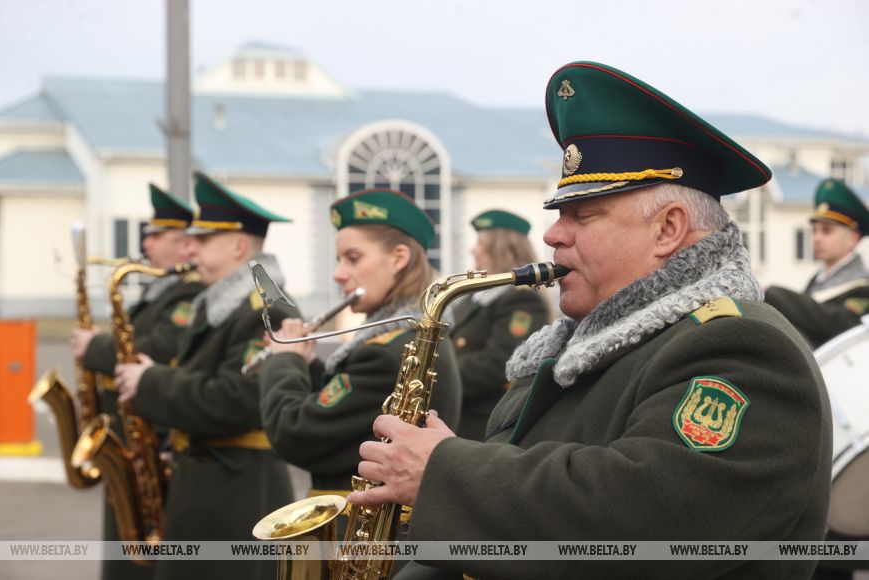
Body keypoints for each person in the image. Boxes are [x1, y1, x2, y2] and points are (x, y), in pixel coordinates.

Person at [347, 62, 832, 579]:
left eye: (583, 215)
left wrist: (443, 473)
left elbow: (642, 520)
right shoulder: (590, 346)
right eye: (560, 214)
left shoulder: (743, 345)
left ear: (668, 229)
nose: (553, 235)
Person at [114, 172, 296, 580]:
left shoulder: (269, 309)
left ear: (238, 245)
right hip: (211, 485)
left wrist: (150, 382)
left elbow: (234, 400)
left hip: (238, 494)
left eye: (203, 240)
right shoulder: (221, 304)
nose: (190, 247)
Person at [257, 189, 462, 507]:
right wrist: (306, 363)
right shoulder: (405, 339)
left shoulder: (387, 351)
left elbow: (296, 433)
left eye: (353, 258)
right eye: (339, 260)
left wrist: (284, 360)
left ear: (398, 258)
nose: (339, 274)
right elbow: (343, 410)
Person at [69, 183, 203, 580]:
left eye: (158, 235)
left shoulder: (188, 292)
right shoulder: (160, 290)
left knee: (140, 544)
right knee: (122, 539)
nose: (146, 242)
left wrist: (95, 348)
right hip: (127, 429)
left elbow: (157, 348)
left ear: (184, 247)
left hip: (149, 431)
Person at [450, 210, 548, 440]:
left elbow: (500, 362)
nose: (473, 250)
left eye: (481, 243)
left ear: (501, 248)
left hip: (482, 427)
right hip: (457, 416)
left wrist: (440, 375)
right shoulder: (472, 298)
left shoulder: (521, 299)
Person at [765, 178, 869, 347]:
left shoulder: (863, 287)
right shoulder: (817, 281)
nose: (816, 238)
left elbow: (834, 322)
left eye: (827, 231)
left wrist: (771, 292)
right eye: (815, 231)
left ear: (853, 238)